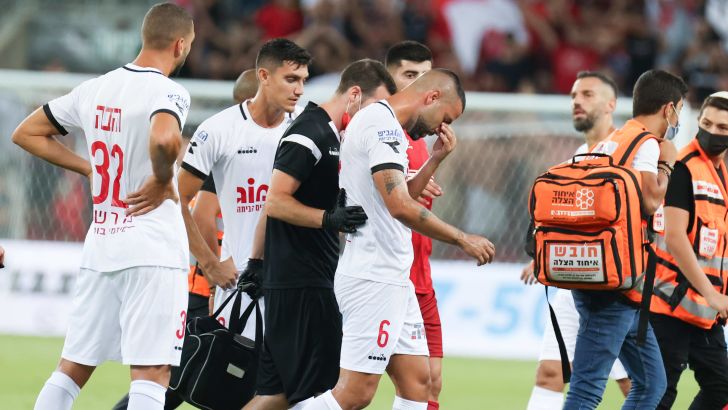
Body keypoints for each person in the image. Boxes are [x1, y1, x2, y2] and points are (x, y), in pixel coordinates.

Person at [12, 4, 195, 409]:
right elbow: (165, 139)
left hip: (103, 244)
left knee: (71, 369)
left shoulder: (95, 88)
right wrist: (162, 178)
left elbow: (26, 133)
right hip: (152, 248)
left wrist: (88, 168)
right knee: (152, 373)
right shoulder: (169, 91)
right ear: (180, 45)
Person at [304, 69, 495, 410]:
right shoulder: (382, 126)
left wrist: (435, 159)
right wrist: (462, 238)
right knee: (356, 393)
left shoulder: (384, 124)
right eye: (445, 118)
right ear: (432, 97)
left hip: (392, 275)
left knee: (418, 383)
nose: (440, 128)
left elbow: (396, 196)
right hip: (373, 276)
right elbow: (399, 206)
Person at [244, 59, 396, 410]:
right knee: (323, 394)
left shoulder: (333, 135)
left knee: (276, 396)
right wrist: (329, 219)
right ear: (354, 95)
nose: (378, 120)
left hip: (297, 280)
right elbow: (275, 202)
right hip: (305, 283)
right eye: (376, 108)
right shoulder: (311, 133)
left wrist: (257, 261)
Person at [110, 69, 260, 410]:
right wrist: (214, 273)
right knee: (183, 380)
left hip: (221, 286)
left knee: (195, 380)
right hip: (214, 289)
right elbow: (203, 214)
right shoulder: (230, 152)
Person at [563, 69, 687, 409]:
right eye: (680, 110)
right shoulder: (644, 143)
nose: (679, 119)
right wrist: (667, 165)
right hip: (612, 286)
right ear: (669, 109)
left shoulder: (615, 139)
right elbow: (650, 200)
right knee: (587, 390)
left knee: (651, 383)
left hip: (615, 279)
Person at [178, 38, 310, 336]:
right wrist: (211, 266)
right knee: (237, 364)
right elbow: (180, 201)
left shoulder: (308, 126)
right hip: (241, 282)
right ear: (264, 77)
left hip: (298, 280)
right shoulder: (218, 131)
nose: (300, 90)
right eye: (291, 79)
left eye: (303, 80)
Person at [523, 71, 631, 410]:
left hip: (616, 290)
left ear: (611, 104)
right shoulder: (580, 154)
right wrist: (543, 256)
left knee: (634, 384)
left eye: (587, 94)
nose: (576, 102)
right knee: (549, 374)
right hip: (575, 282)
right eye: (573, 96)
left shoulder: (628, 151)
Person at [650, 92, 728, 409]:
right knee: (659, 394)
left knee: (721, 389)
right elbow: (674, 237)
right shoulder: (684, 168)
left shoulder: (720, 174)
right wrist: (712, 294)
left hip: (702, 311)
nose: (712, 131)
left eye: (722, 127)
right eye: (707, 123)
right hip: (670, 304)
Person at [384, 40, 445, 410]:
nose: (419, 84)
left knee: (431, 384)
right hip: (385, 277)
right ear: (388, 77)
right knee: (354, 389)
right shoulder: (377, 129)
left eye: (425, 76)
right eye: (409, 74)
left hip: (421, 277)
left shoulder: (421, 135)